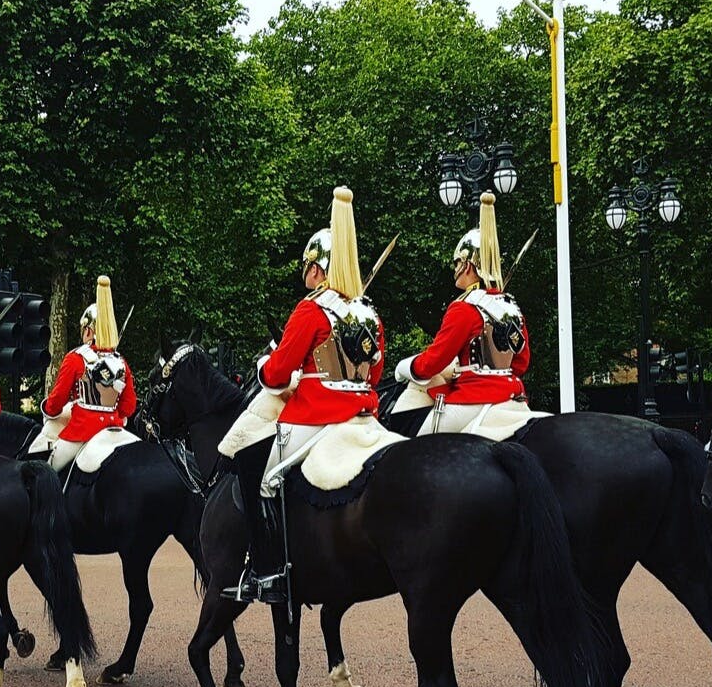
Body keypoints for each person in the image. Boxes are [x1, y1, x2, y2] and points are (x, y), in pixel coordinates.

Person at [224, 186, 385, 604]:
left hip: (316, 416)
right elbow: (377, 372)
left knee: (261, 476)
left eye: (308, 267)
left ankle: (269, 571)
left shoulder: (311, 310)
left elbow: (277, 375)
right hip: (364, 416)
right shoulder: (368, 313)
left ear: (317, 269)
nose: (306, 274)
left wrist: (267, 367)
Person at [393, 192, 535, 438]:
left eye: (456, 263)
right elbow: (521, 363)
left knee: (403, 427)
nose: (455, 269)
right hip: (514, 396)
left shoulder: (464, 308)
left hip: (474, 402)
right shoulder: (511, 307)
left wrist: (406, 366)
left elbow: (432, 364)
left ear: (467, 264)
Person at [40, 275, 137, 472]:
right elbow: (128, 407)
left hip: (82, 431)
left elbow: (56, 402)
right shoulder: (121, 362)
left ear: (89, 330)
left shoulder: (76, 358)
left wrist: (49, 410)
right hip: (115, 428)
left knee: (50, 470)